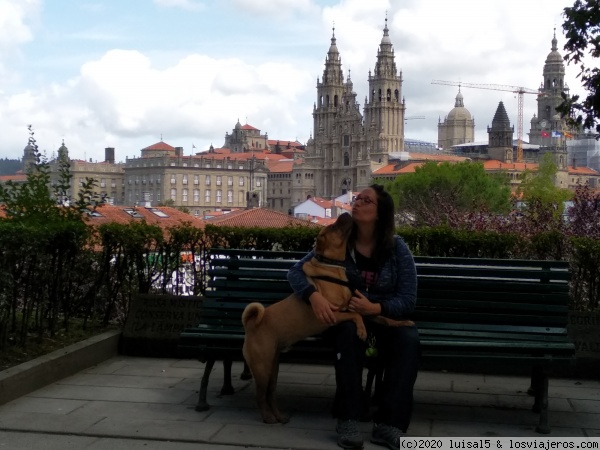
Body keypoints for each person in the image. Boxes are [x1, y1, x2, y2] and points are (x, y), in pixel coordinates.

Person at [287, 184, 420, 450]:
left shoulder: (397, 249)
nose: (357, 202)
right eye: (357, 199)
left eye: (365, 200)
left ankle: (389, 425)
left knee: (408, 338)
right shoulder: (339, 244)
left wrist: (376, 308)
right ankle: (348, 418)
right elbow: (295, 272)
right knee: (346, 334)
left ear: (380, 212)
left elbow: (408, 299)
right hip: (347, 319)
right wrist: (313, 295)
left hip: (380, 318)